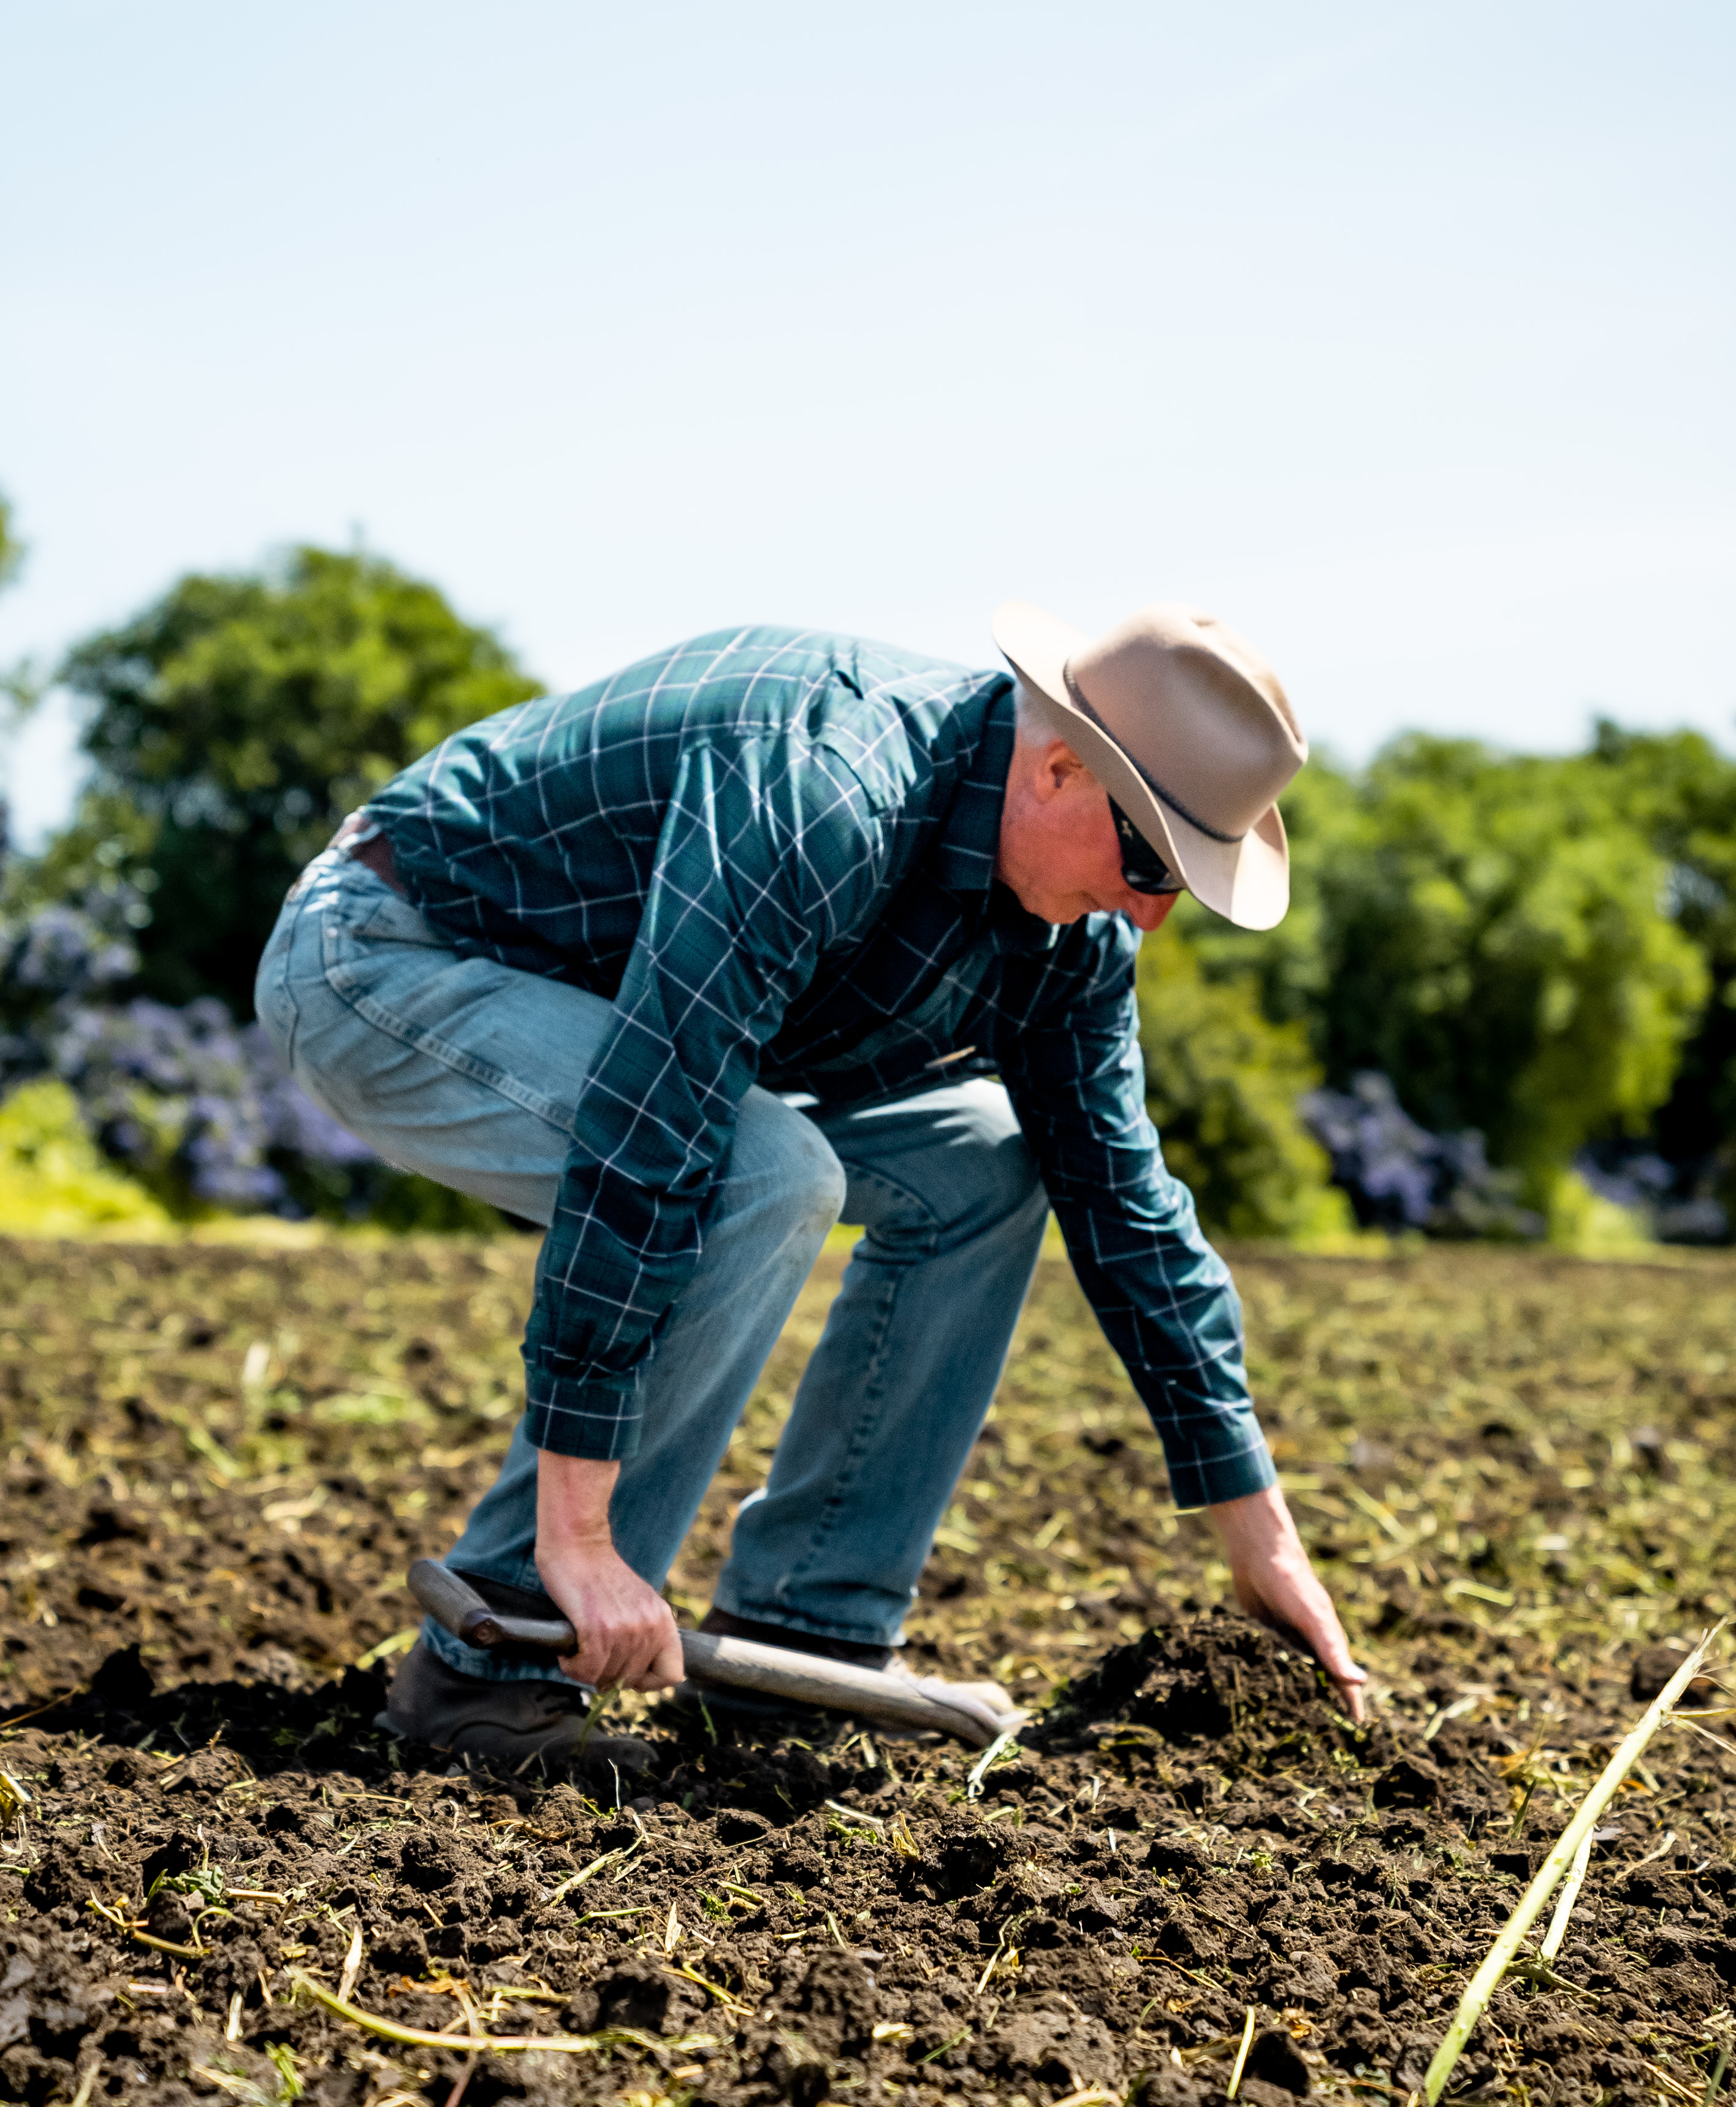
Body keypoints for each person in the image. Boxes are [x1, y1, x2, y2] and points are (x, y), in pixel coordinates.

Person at [255, 600, 1367, 1764]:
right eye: (1149, 858)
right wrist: (574, 1541)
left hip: (631, 1028)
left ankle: (806, 1626)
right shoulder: (824, 794)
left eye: (1183, 884)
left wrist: (1260, 1535)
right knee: (763, 1172)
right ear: (1055, 766)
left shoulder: (1068, 942)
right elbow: (656, 1131)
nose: (1149, 909)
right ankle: (494, 1668)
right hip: (391, 956)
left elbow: (1128, 1206)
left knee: (990, 1161)